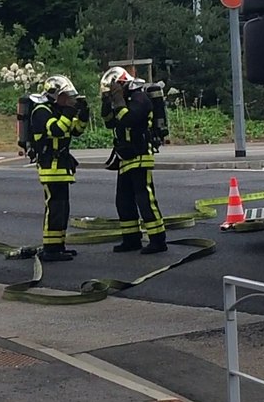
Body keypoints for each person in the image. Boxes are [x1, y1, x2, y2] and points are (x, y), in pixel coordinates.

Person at [101, 66, 167, 254]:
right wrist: (107, 101)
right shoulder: (124, 99)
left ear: (122, 83)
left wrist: (119, 102)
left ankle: (158, 239)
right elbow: (109, 122)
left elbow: (129, 119)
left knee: (145, 198)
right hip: (125, 156)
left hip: (140, 155)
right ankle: (131, 239)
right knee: (123, 200)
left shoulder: (140, 98)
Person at [31, 75, 89, 262]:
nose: (69, 99)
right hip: (50, 167)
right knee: (54, 207)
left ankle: (59, 245)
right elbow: (55, 130)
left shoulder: (59, 109)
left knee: (63, 208)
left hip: (62, 167)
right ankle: (50, 248)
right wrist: (69, 111)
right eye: (66, 96)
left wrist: (82, 114)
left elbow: (76, 131)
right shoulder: (41, 110)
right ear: (55, 94)